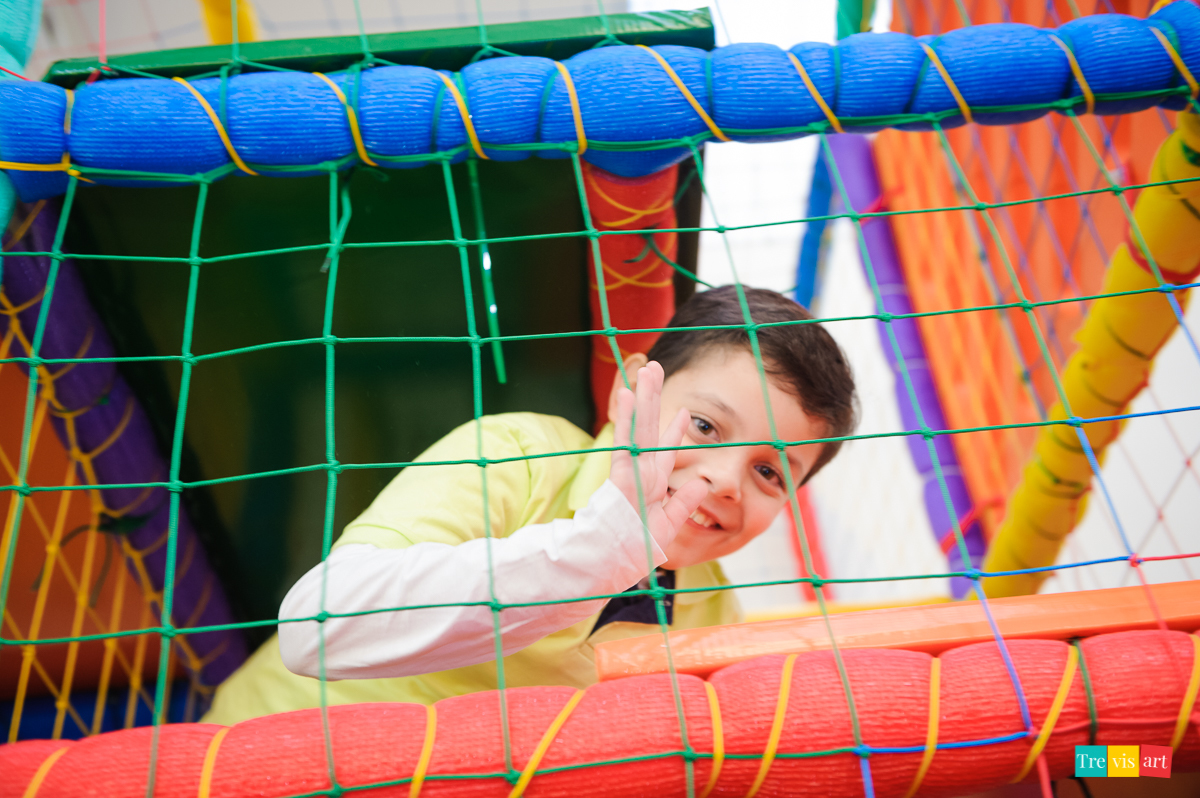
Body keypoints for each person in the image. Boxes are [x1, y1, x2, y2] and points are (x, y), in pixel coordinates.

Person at [203, 286, 856, 724]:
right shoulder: (515, 456)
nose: (723, 481)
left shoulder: (711, 610)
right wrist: (597, 553)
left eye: (770, 472)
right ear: (632, 388)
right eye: (706, 427)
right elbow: (319, 627)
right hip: (267, 750)